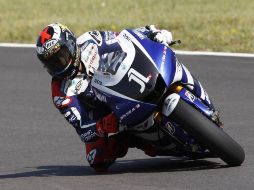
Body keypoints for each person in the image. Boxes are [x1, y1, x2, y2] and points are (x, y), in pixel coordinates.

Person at [36, 23, 216, 172]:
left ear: (71, 44)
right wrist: (101, 126)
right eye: (52, 62)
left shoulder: (91, 40)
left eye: (61, 57)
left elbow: (124, 38)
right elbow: (81, 127)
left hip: (130, 80)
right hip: (112, 114)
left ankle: (198, 94)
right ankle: (146, 142)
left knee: (166, 59)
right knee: (96, 159)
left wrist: (152, 32)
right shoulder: (60, 92)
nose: (59, 64)